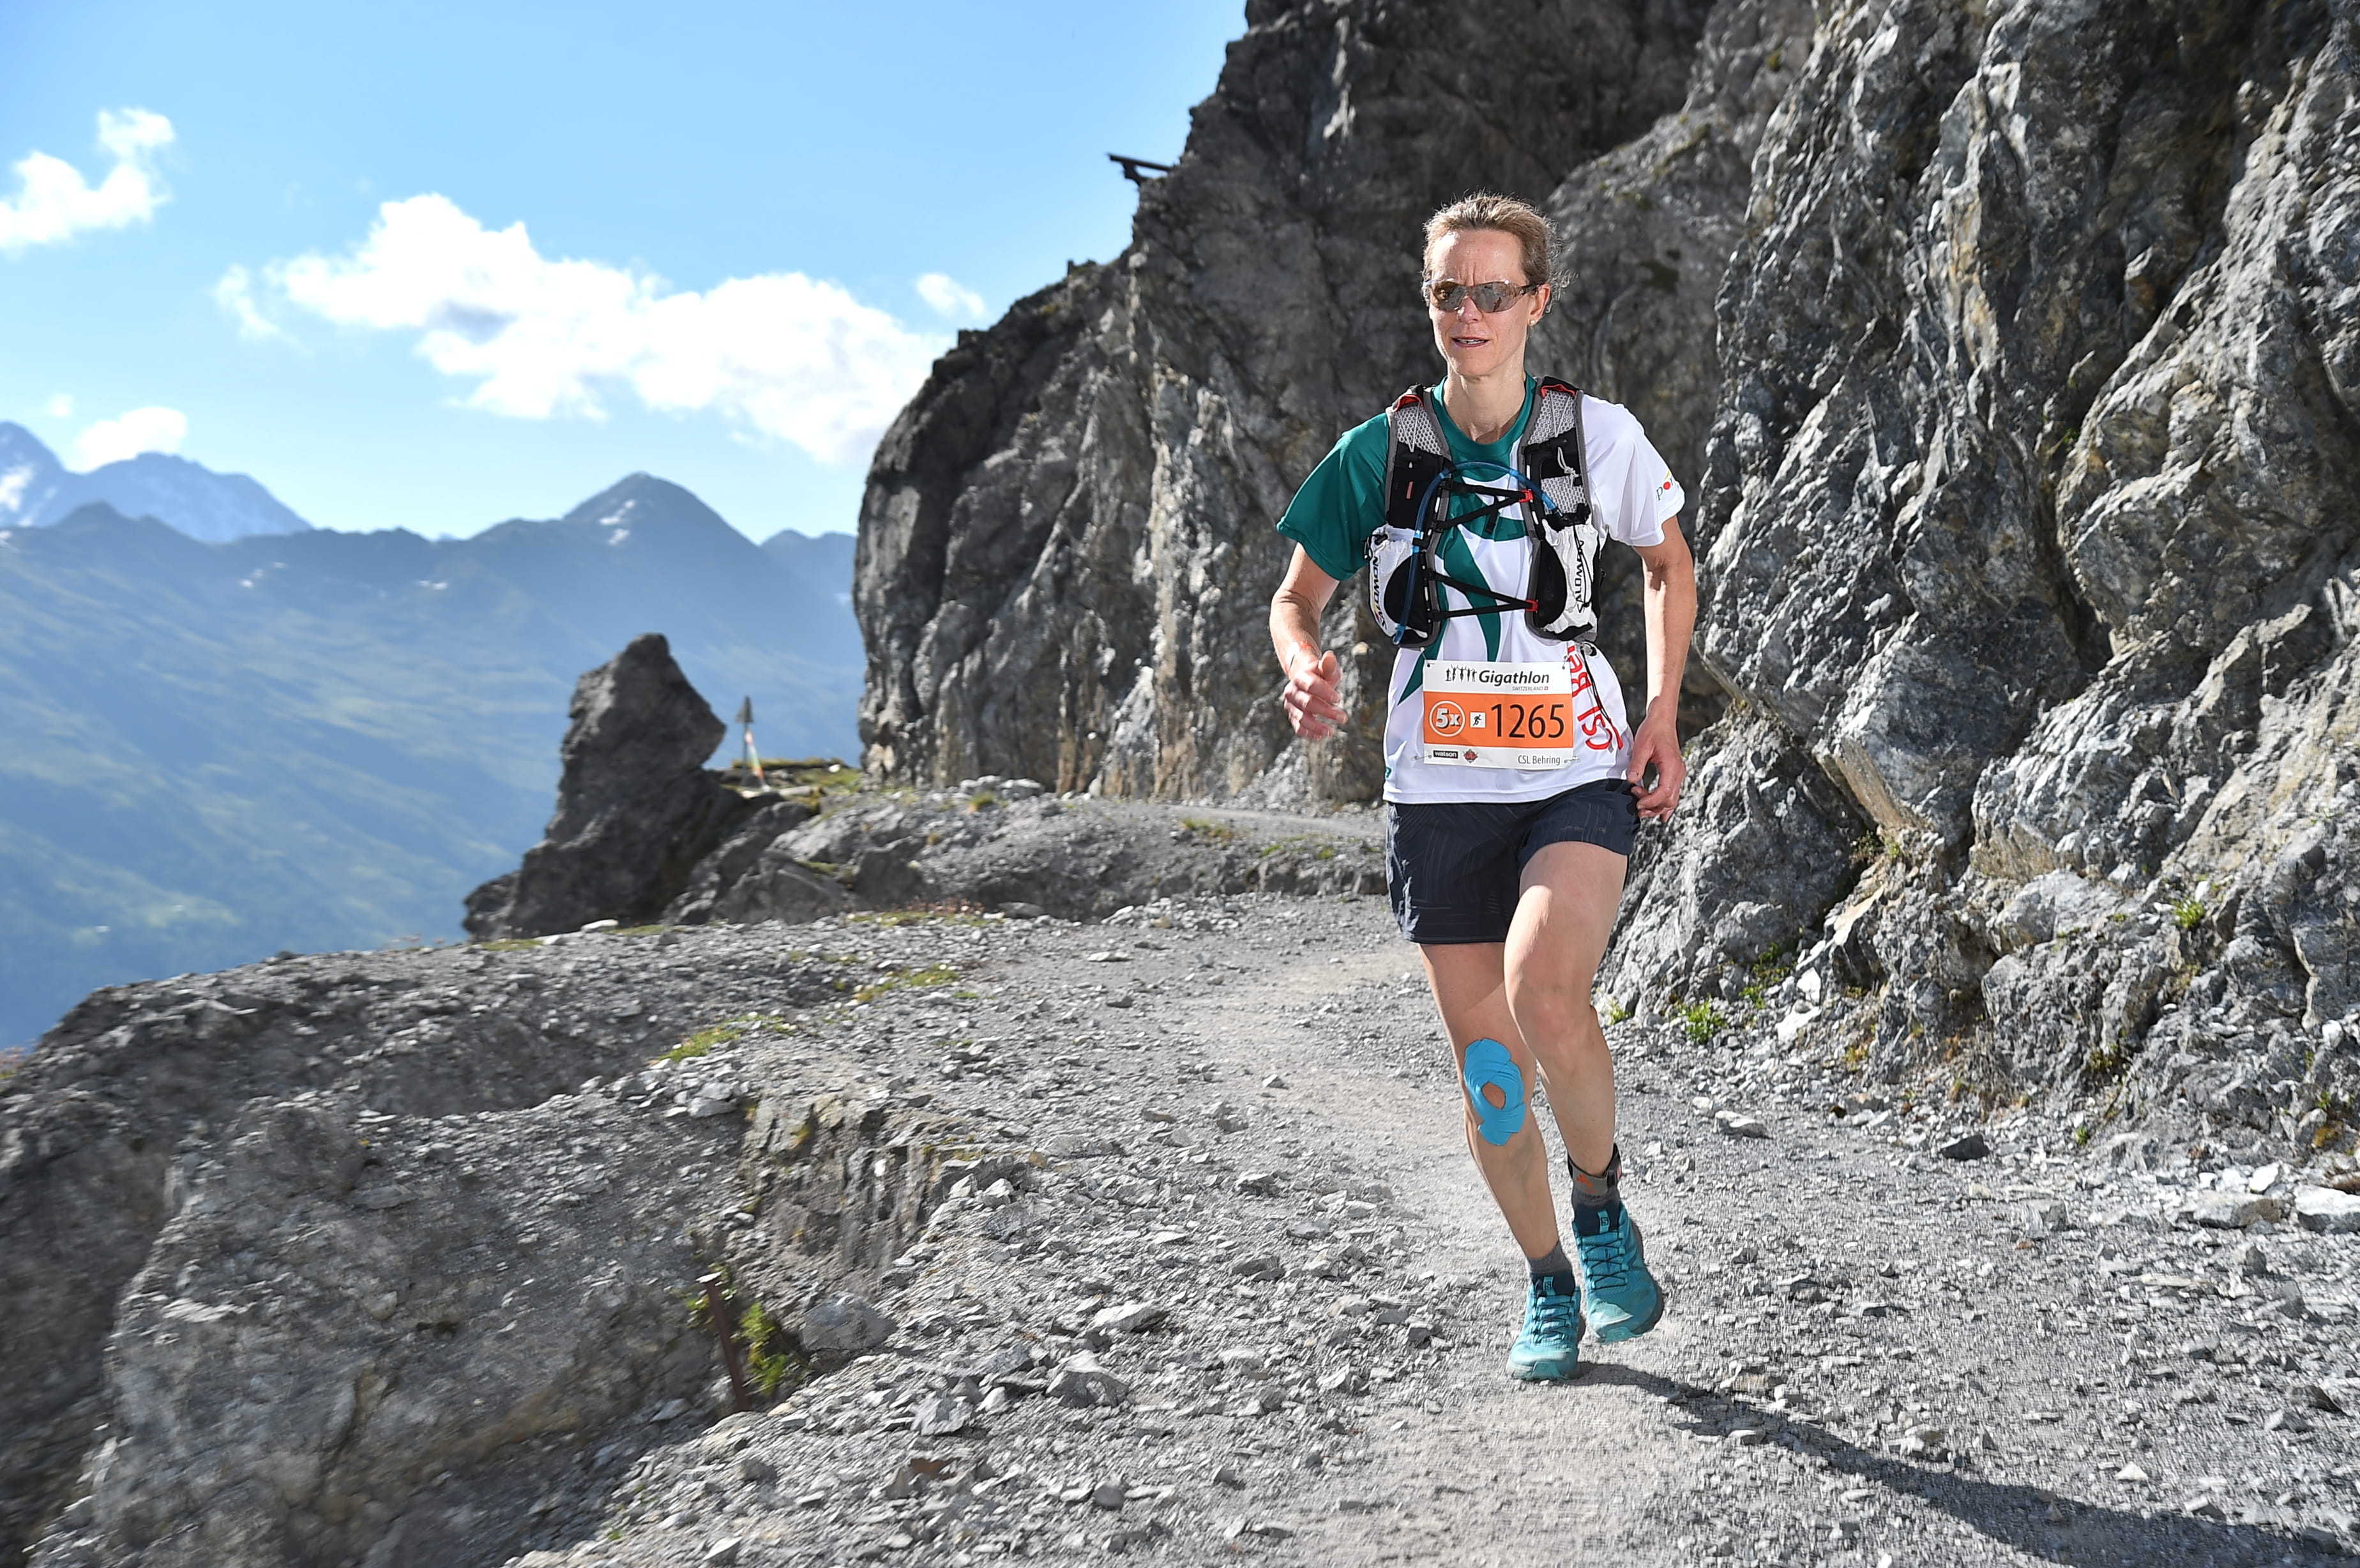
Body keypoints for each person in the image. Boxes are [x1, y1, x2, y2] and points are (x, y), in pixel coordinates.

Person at [1266, 192, 1695, 1381]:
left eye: (1492, 291)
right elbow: (1294, 598)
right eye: (1449, 291)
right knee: (1492, 1073)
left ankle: (1601, 1206)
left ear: (1535, 303)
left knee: (1541, 992)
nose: (1469, 312)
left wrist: (1659, 710)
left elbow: (1665, 562)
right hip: (1439, 787)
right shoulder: (1382, 453)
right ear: (1432, 302)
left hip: (1573, 769)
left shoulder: (1594, 436)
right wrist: (1305, 666)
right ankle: (1549, 1280)